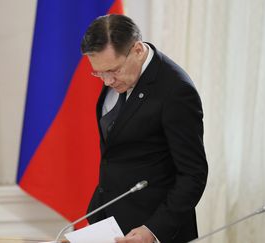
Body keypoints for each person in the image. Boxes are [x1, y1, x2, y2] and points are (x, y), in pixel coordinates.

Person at [81, 14, 208, 243]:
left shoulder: (176, 91)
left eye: (113, 70)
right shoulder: (117, 77)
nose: (107, 81)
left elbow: (193, 175)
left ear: (138, 50)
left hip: (152, 229)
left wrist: (154, 229)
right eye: (98, 73)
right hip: (109, 223)